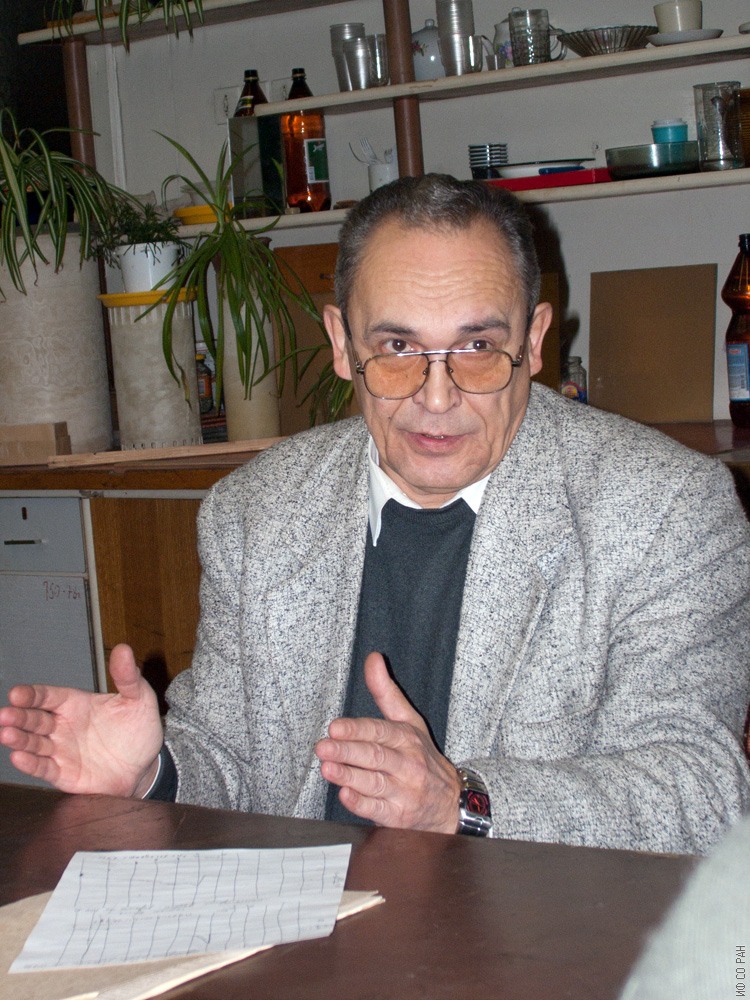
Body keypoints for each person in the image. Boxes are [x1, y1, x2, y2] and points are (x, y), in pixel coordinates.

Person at [1, 175, 749, 854]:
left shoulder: (665, 510)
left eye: (477, 345)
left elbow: (703, 793)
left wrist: (462, 803)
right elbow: (228, 762)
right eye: (397, 346)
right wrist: (153, 773)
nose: (437, 397)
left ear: (534, 339)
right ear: (340, 343)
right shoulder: (256, 514)